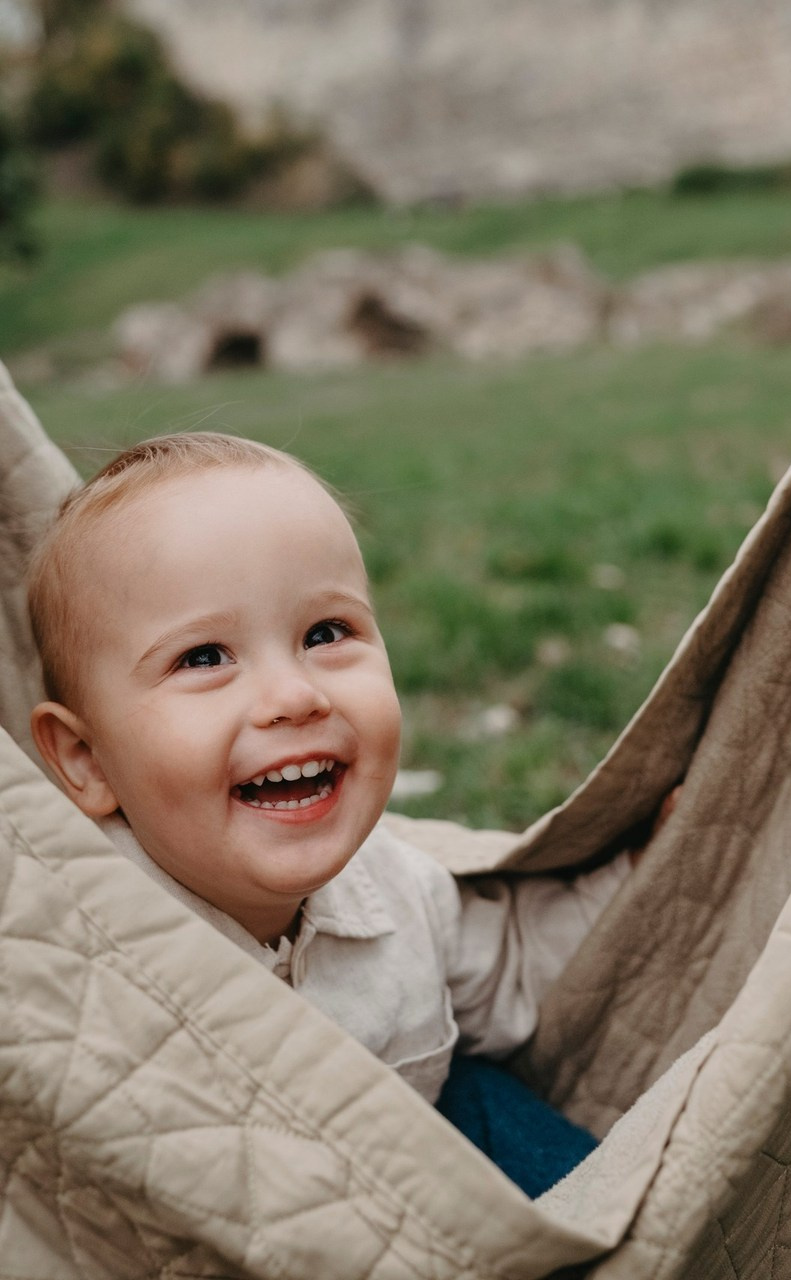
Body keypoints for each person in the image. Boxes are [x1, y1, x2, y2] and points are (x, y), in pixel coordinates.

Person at [24, 431, 641, 1196]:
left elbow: (510, 960)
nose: (293, 697)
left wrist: (655, 868)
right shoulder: (69, 958)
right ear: (86, 761)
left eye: (326, 634)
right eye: (205, 657)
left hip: (407, 1176)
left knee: (490, 1107)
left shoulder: (398, 891)